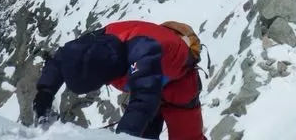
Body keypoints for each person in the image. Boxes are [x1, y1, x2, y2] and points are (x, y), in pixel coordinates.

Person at [32, 20, 207, 139]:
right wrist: (44, 95)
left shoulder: (144, 53)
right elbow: (61, 58)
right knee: (145, 127)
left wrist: (124, 136)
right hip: (150, 75)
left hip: (180, 83)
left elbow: (143, 100)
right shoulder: (96, 42)